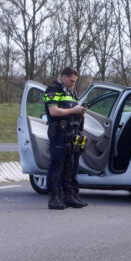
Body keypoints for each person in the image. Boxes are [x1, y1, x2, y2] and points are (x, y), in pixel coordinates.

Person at [44, 67, 88, 210]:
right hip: (59, 133)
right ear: (63, 77)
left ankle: (69, 196)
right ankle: (54, 198)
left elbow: (72, 109)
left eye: (75, 81)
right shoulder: (53, 89)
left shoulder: (71, 91)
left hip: (72, 132)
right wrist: (74, 110)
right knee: (57, 165)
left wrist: (80, 112)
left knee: (71, 166)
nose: (73, 84)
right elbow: (53, 111)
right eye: (71, 81)